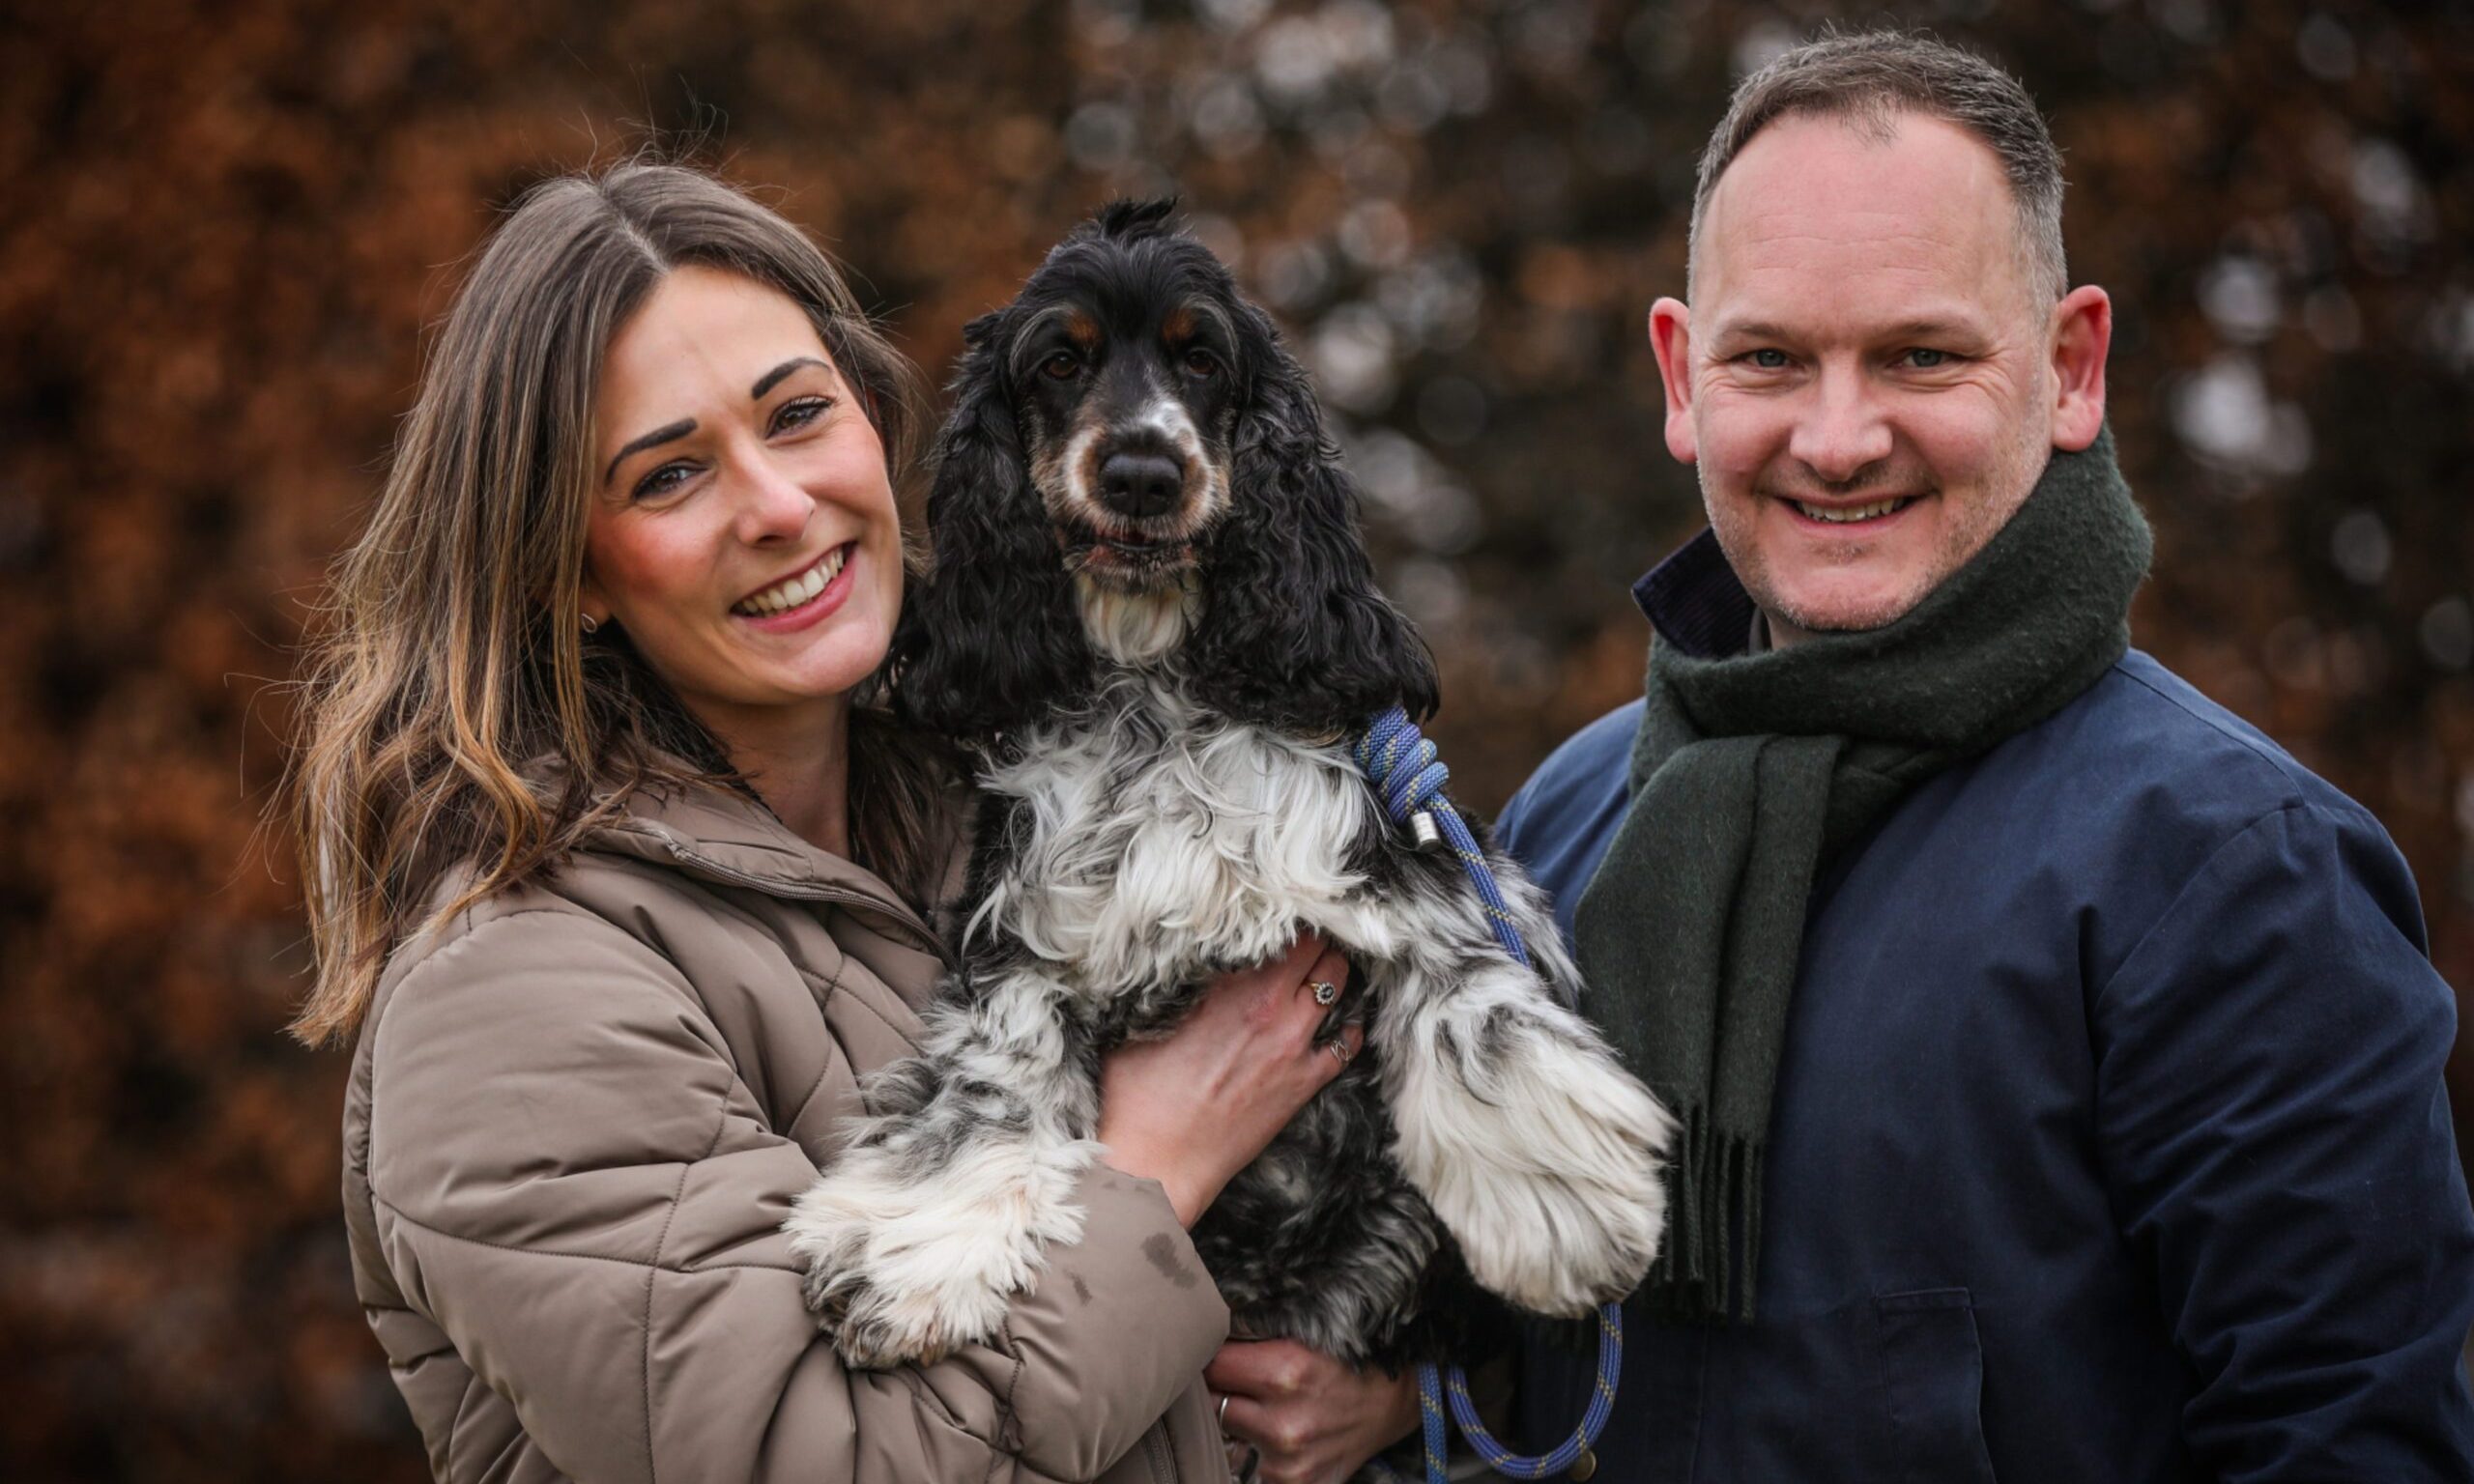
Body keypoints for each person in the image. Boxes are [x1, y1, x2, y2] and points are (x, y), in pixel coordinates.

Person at [285, 159, 1382, 1483]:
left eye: (798, 415)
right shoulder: (512, 1000)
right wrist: (1152, 1165)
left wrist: (1394, 1393)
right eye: (671, 475)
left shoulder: (1022, 814)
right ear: (567, 572)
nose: (779, 506)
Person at [1495, 30, 2474, 1482]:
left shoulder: (2238, 877)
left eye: (1922, 356)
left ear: (2072, 368)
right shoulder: (1564, 824)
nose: (1838, 439)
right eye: (1771, 358)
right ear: (1682, 375)